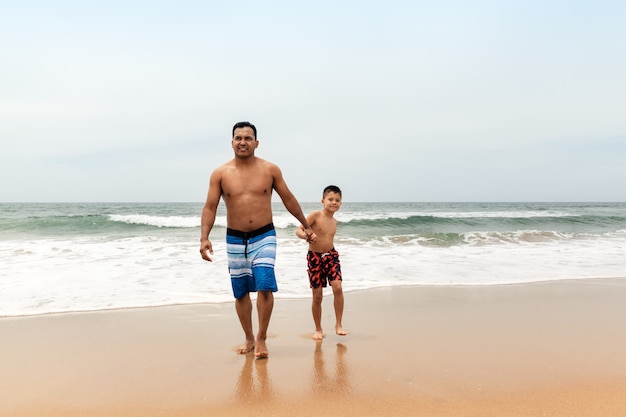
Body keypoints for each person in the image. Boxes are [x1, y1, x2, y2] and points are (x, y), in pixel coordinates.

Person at [200, 121, 317, 358]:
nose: (243, 142)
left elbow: (288, 198)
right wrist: (204, 237)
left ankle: (262, 338)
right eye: (238, 138)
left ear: (256, 142)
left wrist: (306, 226)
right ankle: (249, 338)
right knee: (240, 292)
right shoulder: (220, 174)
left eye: (247, 138)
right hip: (235, 239)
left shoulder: (270, 170)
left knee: (265, 284)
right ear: (232, 142)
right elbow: (210, 207)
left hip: (265, 235)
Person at [296, 185, 346, 340]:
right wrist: (306, 236)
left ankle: (338, 324)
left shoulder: (335, 222)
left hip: (331, 256)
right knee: (317, 296)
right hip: (315, 257)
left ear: (340, 203)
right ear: (323, 201)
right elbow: (298, 230)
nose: (334, 202)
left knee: (337, 287)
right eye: (330, 199)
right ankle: (318, 329)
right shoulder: (315, 215)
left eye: (337, 200)